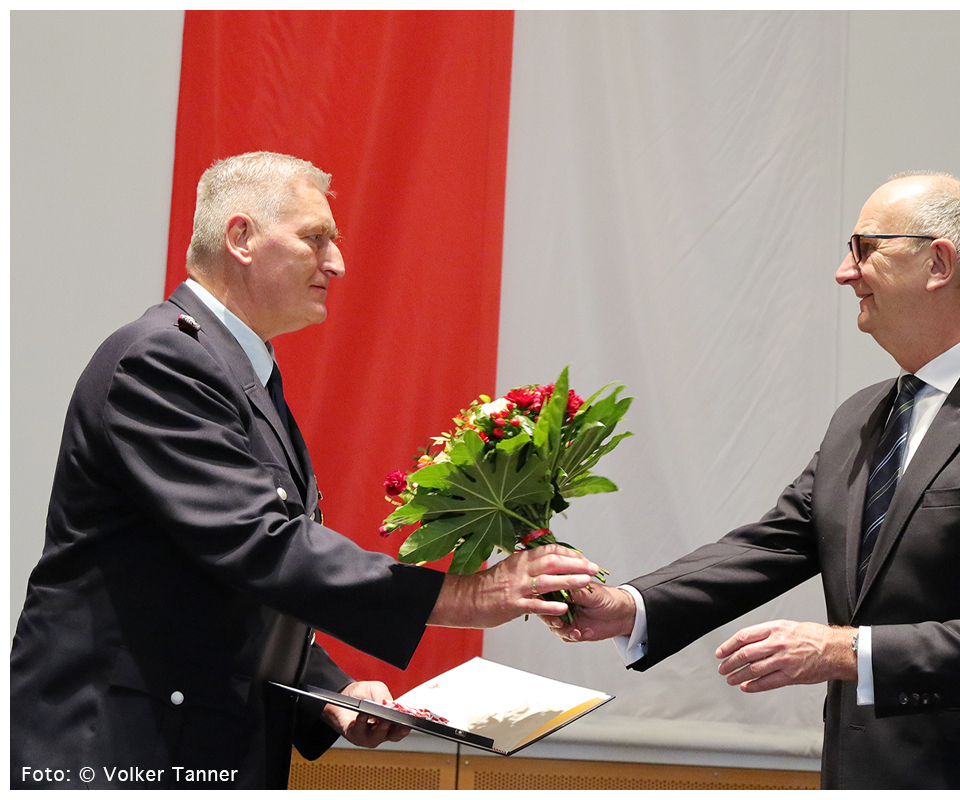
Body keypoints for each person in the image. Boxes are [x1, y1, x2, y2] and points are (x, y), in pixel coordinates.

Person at [9, 151, 599, 790]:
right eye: (315, 238)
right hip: (116, 749)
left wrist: (329, 693)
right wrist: (463, 596)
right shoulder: (161, 359)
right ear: (241, 238)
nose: (337, 262)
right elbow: (259, 543)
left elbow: (223, 585)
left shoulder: (234, 367)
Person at [546, 172, 960, 789]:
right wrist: (629, 606)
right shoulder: (861, 415)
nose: (845, 273)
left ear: (938, 263)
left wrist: (840, 650)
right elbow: (774, 544)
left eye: (864, 249)